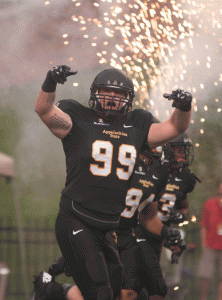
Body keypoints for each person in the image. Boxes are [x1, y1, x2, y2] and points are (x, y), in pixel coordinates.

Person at [33, 64, 192, 300]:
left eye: (119, 93)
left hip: (107, 227)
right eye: (107, 91)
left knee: (114, 291)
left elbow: (175, 126)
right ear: (94, 93)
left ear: (128, 99)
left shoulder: (136, 124)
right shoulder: (78, 117)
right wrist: (50, 81)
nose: (112, 97)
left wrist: (184, 106)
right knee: (100, 292)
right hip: (76, 217)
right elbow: (44, 110)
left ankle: (52, 292)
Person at [134, 132, 198, 300]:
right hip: (141, 230)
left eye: (185, 150)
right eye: (178, 150)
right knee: (139, 284)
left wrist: (180, 217)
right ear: (168, 151)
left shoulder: (185, 178)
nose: (183, 154)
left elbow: (185, 209)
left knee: (157, 286)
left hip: (161, 235)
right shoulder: (155, 171)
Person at [198, 179, 222, 300]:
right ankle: (204, 298)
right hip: (209, 245)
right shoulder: (209, 203)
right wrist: (203, 243)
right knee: (205, 275)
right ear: (218, 188)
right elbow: (203, 225)